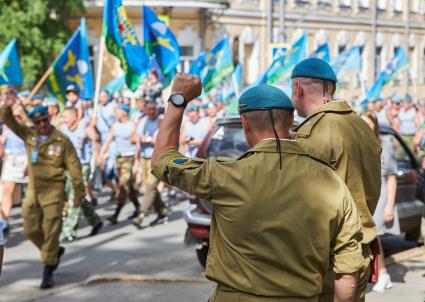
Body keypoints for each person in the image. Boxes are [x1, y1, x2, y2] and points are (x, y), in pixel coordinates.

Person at [152, 73, 364, 302]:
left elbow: (162, 161)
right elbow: (348, 270)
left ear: (244, 123)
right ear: (292, 119)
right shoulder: (331, 182)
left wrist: (178, 99)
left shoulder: (225, 175)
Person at [291, 58, 382, 302]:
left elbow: (301, 204)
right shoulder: (360, 125)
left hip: (327, 257)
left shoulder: (313, 133)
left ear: (298, 88)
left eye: (292, 90)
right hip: (360, 251)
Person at [0, 98, 84, 289]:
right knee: (30, 229)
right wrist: (7, 103)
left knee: (51, 230)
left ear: (50, 118)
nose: (42, 124)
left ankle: (48, 269)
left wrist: (79, 192)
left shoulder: (62, 140)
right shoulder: (29, 135)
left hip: (54, 190)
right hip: (33, 190)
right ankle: (53, 252)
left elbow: (75, 167)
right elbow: (7, 119)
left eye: (45, 120)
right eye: (38, 122)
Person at [360, 111, 398, 293]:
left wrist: (390, 205)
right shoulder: (358, 145)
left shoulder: (384, 145)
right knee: (370, 237)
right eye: (362, 123)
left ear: (375, 125)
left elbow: (391, 177)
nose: (366, 127)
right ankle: (378, 275)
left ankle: (383, 274)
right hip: (366, 195)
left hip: (381, 196)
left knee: (375, 237)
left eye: (369, 123)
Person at [60, 107, 103, 242]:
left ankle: (69, 231)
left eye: (66, 117)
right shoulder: (64, 129)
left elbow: (96, 138)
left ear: (73, 117)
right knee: (79, 197)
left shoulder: (84, 126)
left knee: (75, 196)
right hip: (68, 167)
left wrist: (93, 126)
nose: (64, 119)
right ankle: (95, 221)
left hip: (82, 167)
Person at [99, 103, 139, 224]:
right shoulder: (115, 125)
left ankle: (116, 214)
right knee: (130, 187)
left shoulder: (133, 125)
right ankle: (139, 208)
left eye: (117, 111)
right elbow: (108, 140)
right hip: (119, 159)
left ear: (124, 112)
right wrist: (101, 154)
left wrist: (137, 161)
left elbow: (137, 144)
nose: (115, 113)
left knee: (122, 185)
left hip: (130, 157)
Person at [132, 101, 168, 229]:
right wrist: (140, 140)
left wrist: (146, 139)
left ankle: (141, 215)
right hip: (144, 158)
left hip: (157, 159)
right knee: (149, 187)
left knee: (151, 186)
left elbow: (161, 141)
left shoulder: (161, 122)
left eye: (153, 109)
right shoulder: (141, 121)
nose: (151, 111)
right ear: (145, 110)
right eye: (149, 109)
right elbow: (133, 138)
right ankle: (162, 211)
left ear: (157, 110)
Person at [0, 105, 29, 240]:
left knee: (31, 195)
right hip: (11, 159)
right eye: (14, 116)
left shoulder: (28, 128)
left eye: (18, 116)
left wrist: (29, 164)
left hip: (26, 160)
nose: (16, 118)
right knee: (7, 191)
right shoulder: (7, 127)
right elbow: (2, 143)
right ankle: (4, 223)